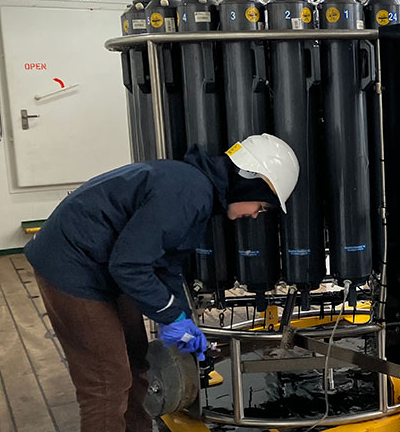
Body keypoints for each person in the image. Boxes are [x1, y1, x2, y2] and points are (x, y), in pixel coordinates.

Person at [23, 133, 299, 432]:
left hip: (102, 265)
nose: (256, 215)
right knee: (107, 382)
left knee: (136, 363)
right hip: (73, 267)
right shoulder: (188, 193)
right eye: (262, 205)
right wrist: (172, 318)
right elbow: (129, 266)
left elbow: (166, 265)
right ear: (250, 181)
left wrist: (183, 320)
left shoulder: (197, 191)